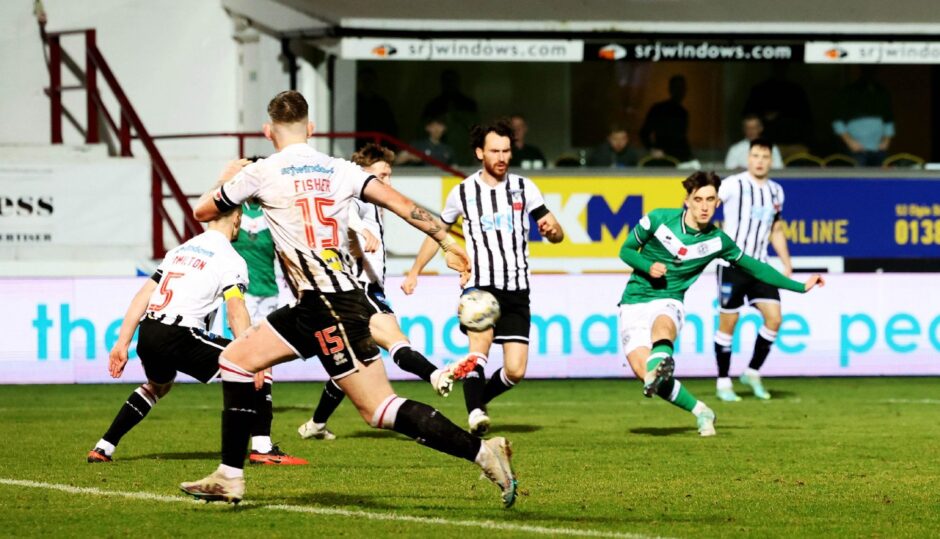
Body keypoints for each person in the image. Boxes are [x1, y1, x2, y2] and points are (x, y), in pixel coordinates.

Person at [180, 91, 518, 508]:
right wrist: (446, 240)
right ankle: (230, 476)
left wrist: (224, 176)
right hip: (315, 303)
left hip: (330, 306)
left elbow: (202, 212)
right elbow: (401, 204)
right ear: (312, 129)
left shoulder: (261, 172)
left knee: (379, 410)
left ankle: (484, 452)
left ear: (268, 132)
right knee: (234, 361)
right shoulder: (339, 169)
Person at [87, 198, 304, 465]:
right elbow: (236, 310)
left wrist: (122, 343)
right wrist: (252, 351)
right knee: (259, 361)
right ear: (237, 219)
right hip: (180, 334)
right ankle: (262, 447)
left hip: (149, 332)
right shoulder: (231, 258)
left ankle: (104, 446)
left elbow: (143, 295)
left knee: (158, 386)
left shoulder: (180, 250)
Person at [617, 171, 823, 436]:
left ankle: (662, 360)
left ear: (718, 203)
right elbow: (625, 250)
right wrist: (647, 265)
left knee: (663, 326)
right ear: (687, 201)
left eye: (710, 199)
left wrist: (800, 287)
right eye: (698, 199)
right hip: (633, 302)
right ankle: (702, 411)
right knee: (646, 373)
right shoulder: (658, 219)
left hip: (669, 299)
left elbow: (756, 268)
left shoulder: (718, 241)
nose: (704, 206)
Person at [402, 119, 565, 436]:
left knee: (515, 370)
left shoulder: (524, 188)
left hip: (517, 289)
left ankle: (478, 398)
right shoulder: (462, 192)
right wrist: (414, 271)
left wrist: (553, 231)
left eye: (506, 150)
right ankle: (475, 411)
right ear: (480, 152)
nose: (502, 157)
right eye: (495, 151)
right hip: (480, 288)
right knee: (479, 351)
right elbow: (437, 232)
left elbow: (557, 232)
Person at [298, 143, 460, 440]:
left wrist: (412, 274)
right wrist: (362, 230)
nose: (387, 183)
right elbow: (345, 213)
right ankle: (435, 374)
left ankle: (316, 424)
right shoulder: (357, 199)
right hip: (357, 292)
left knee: (358, 362)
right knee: (394, 340)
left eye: (389, 176)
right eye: (382, 176)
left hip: (370, 290)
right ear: (364, 175)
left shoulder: (376, 207)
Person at [713, 139, 792, 401]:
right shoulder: (733, 184)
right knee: (729, 322)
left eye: (765, 156)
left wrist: (786, 262)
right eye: (755, 155)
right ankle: (723, 382)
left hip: (760, 265)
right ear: (748, 158)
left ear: (771, 160)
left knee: (775, 319)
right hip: (732, 265)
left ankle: (752, 371)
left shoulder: (776, 192)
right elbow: (706, 206)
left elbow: (776, 229)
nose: (759, 161)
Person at [228, 197, 305, 464]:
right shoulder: (233, 213)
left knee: (264, 364)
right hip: (241, 295)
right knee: (247, 363)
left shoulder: (272, 214)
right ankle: (259, 443)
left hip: (270, 294)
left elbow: (285, 255)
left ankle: (260, 441)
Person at [832, 67, 895, 167]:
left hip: (878, 149)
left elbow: (889, 119)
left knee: (878, 179)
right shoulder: (849, 91)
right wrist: (849, 142)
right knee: (858, 179)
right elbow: (838, 121)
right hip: (856, 149)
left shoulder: (881, 92)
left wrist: (886, 141)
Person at [421, 70, 479, 165]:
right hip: (437, 152)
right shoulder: (434, 105)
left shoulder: (468, 104)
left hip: (463, 150)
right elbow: (422, 129)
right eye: (447, 81)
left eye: (452, 81)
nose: (450, 84)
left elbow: (476, 128)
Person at [639, 75, 692, 162]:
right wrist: (652, 149)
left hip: (681, 158)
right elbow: (644, 133)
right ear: (670, 89)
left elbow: (681, 138)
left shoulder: (683, 112)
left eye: (682, 88)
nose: (680, 91)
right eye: (677, 88)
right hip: (661, 158)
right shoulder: (658, 109)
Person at [355, 67, 398, 150]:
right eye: (364, 80)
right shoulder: (352, 103)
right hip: (357, 144)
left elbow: (390, 127)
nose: (366, 83)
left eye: (369, 80)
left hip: (378, 145)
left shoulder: (382, 104)